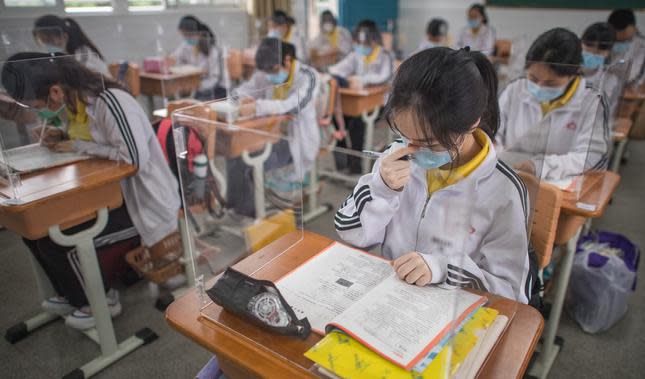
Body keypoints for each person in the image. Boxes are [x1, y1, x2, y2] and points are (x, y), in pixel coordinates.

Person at [334, 47, 534, 303]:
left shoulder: (503, 191)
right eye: (406, 136)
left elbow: (512, 292)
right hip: (388, 298)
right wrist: (381, 189)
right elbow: (351, 233)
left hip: (449, 311)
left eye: (429, 142)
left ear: (473, 122)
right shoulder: (397, 157)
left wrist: (443, 268)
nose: (413, 151)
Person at [1, 52, 181, 330]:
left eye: (38, 106)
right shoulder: (76, 104)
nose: (39, 113)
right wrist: (63, 137)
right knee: (35, 234)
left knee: (64, 239)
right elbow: (93, 139)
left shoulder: (110, 101)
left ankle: (100, 302)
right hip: (110, 194)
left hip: (143, 202)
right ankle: (70, 293)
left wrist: (78, 146)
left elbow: (133, 159)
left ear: (56, 91)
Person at [496, 28, 610, 181]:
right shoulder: (514, 90)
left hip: (558, 184)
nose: (540, 86)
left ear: (574, 73)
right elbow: (492, 134)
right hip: (509, 176)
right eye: (533, 78)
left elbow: (592, 156)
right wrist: (496, 156)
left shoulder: (592, 100)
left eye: (551, 83)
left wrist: (540, 166)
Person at [226, 38, 319, 217]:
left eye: (273, 70)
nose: (269, 75)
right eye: (266, 71)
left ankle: (251, 214)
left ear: (287, 60)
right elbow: (246, 88)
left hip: (294, 140)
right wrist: (238, 100)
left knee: (247, 160)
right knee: (234, 153)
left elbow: (294, 105)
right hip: (266, 132)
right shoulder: (266, 72)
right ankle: (237, 208)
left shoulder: (308, 76)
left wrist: (257, 106)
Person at [328, 19, 394, 173]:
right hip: (357, 102)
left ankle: (356, 166)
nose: (361, 46)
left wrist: (362, 80)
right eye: (358, 42)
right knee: (336, 121)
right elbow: (337, 69)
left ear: (374, 40)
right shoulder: (355, 55)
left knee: (357, 125)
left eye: (365, 43)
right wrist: (343, 77)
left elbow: (384, 77)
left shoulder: (385, 55)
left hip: (379, 104)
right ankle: (342, 163)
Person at [168, 15, 229, 100]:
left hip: (217, 89)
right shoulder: (185, 46)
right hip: (197, 87)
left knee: (194, 102)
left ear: (198, 33)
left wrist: (196, 87)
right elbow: (174, 58)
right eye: (184, 36)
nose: (187, 39)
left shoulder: (213, 51)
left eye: (188, 35)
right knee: (176, 98)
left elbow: (215, 80)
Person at [32, 15, 110, 76]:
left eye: (49, 41)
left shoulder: (83, 56)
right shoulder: (65, 56)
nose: (47, 46)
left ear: (64, 37)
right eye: (43, 42)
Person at [581, 22, 622, 127]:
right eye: (589, 45)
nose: (593, 52)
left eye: (601, 49)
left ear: (609, 52)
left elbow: (607, 114)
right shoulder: (565, 71)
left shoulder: (611, 80)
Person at [607, 8, 645, 87]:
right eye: (615, 32)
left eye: (622, 31)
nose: (618, 35)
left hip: (631, 90)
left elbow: (636, 78)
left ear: (632, 28)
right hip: (611, 86)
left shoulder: (643, 45)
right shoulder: (608, 39)